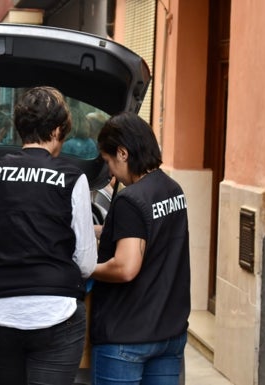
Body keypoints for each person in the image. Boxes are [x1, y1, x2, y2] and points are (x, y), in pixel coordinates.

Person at [0, 86, 97, 385]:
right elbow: (85, 263)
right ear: (57, 131)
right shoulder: (73, 179)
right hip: (56, 313)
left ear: (20, 129)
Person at [90, 112, 191, 385]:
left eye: (109, 161)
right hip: (168, 333)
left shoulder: (131, 199)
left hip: (127, 336)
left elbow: (126, 267)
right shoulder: (172, 190)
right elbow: (153, 236)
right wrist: (101, 231)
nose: (110, 171)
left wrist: (86, 269)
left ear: (123, 153)